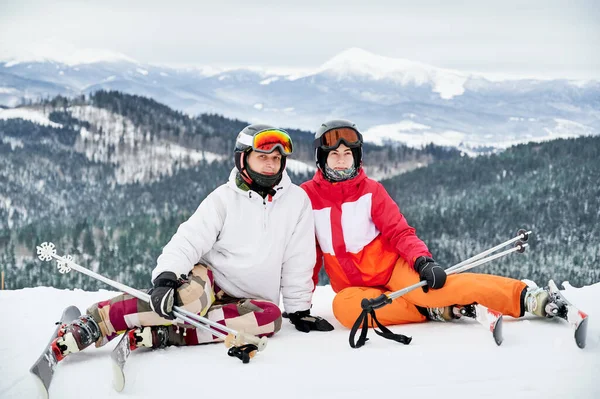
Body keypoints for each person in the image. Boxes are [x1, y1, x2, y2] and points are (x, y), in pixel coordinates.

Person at [52, 124, 333, 360]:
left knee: (270, 320)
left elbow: (299, 259)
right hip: (210, 279)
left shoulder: (296, 202)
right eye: (263, 156)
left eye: (276, 158)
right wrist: (166, 279)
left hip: (250, 299)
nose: (271, 163)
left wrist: (298, 311)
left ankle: (166, 333)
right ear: (244, 158)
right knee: (187, 303)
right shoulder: (223, 199)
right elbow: (189, 239)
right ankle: (96, 321)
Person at [300, 119, 554, 330]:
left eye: (347, 154)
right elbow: (307, 255)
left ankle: (524, 296)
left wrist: (423, 261)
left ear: (356, 158)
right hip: (354, 288)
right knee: (345, 309)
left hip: (391, 270)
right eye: (334, 154)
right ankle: (430, 310)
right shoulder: (307, 197)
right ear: (322, 159)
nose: (341, 160)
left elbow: (399, 231)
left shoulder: (371, 191)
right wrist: (300, 307)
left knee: (436, 289)